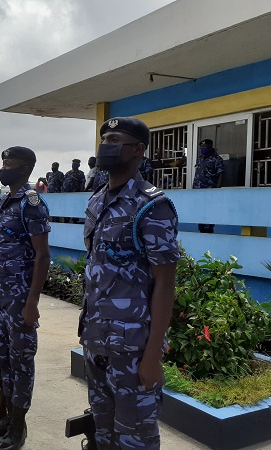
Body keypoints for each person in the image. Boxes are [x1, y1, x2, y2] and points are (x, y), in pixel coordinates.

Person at [81, 117, 179, 448]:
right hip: (96, 342)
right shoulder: (96, 201)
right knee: (103, 433)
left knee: (136, 437)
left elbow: (165, 284)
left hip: (133, 351)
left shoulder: (152, 205)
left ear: (137, 150)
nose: (105, 145)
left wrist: (152, 357)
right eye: (103, 138)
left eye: (114, 139)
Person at [0, 147, 50, 449]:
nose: (3, 168)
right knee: (5, 361)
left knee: (22, 363)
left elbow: (42, 255)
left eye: (9, 164)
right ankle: (8, 417)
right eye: (3, 163)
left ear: (24, 170)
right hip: (0, 298)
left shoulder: (31, 202)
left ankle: (19, 427)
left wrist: (32, 302)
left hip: (20, 299)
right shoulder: (5, 201)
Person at [193, 139, 225, 233]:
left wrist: (217, 190)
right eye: (201, 147)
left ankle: (209, 229)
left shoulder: (216, 159)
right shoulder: (200, 158)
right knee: (199, 213)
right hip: (198, 191)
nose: (202, 149)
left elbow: (221, 174)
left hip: (210, 191)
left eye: (204, 147)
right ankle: (201, 229)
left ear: (210, 147)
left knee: (210, 212)